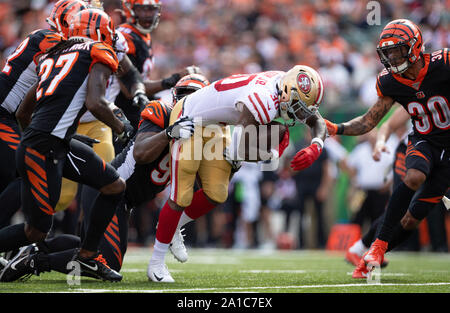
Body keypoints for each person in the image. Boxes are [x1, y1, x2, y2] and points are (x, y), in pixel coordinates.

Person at [0, 73, 211, 282]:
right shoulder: (162, 112)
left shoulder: (204, 134)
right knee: (106, 261)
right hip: (110, 190)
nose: (186, 102)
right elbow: (141, 152)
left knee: (93, 248)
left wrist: (226, 163)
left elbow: (205, 186)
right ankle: (35, 261)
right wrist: (169, 133)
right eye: (183, 95)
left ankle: (37, 249)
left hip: (125, 201)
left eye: (193, 97)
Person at [147, 65, 327, 283]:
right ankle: (156, 263)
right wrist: (270, 154)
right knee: (182, 194)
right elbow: (239, 149)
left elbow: (316, 120)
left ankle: (173, 227)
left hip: (218, 124)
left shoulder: (285, 86)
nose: (300, 116)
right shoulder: (264, 99)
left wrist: (316, 145)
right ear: (288, 92)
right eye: (298, 108)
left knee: (217, 193)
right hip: (190, 117)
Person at [0, 8, 133, 282]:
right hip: (44, 147)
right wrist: (122, 128)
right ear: (102, 32)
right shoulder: (98, 50)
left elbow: (25, 112)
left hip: (52, 142)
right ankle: (72, 255)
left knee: (114, 185)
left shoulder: (55, 53)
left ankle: (87, 256)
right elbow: (96, 103)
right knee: (35, 232)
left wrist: (53, 136)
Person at [325, 19, 449, 277]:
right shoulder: (391, 82)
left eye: (397, 49)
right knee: (414, 176)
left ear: (414, 47)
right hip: (424, 141)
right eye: (387, 51)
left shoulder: (444, 63)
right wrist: (336, 128)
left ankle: (368, 255)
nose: (391, 56)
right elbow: (370, 120)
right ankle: (376, 248)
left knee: (411, 219)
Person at [0, 0, 88, 227]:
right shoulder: (50, 40)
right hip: (3, 114)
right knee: (26, 171)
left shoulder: (45, 38)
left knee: (11, 175)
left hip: (9, 116)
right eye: (83, 25)